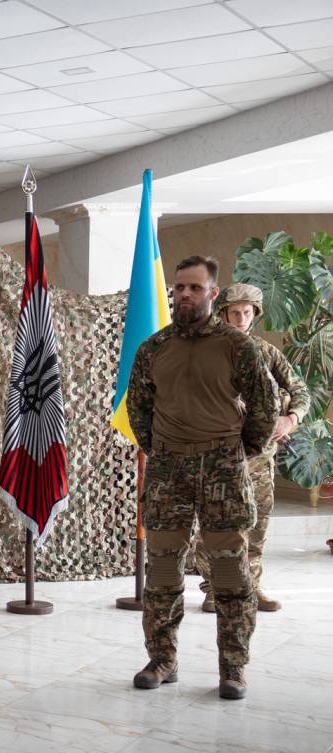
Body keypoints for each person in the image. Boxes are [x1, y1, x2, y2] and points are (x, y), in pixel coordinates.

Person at [128, 255, 276, 700]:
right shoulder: (154, 348)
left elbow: (264, 408)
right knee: (162, 571)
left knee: (229, 572)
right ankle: (162, 659)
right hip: (168, 469)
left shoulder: (237, 345)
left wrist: (236, 452)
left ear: (213, 293)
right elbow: (138, 410)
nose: (185, 295)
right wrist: (163, 450)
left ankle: (233, 667)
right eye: (179, 288)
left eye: (194, 288)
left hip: (222, 469)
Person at [195, 283, 309, 614]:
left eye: (247, 312)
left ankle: (250, 586)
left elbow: (299, 390)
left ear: (254, 314)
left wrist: (289, 419)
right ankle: (215, 588)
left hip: (260, 457)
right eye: (235, 312)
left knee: (257, 523)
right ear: (223, 314)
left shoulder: (266, 352)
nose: (241, 318)